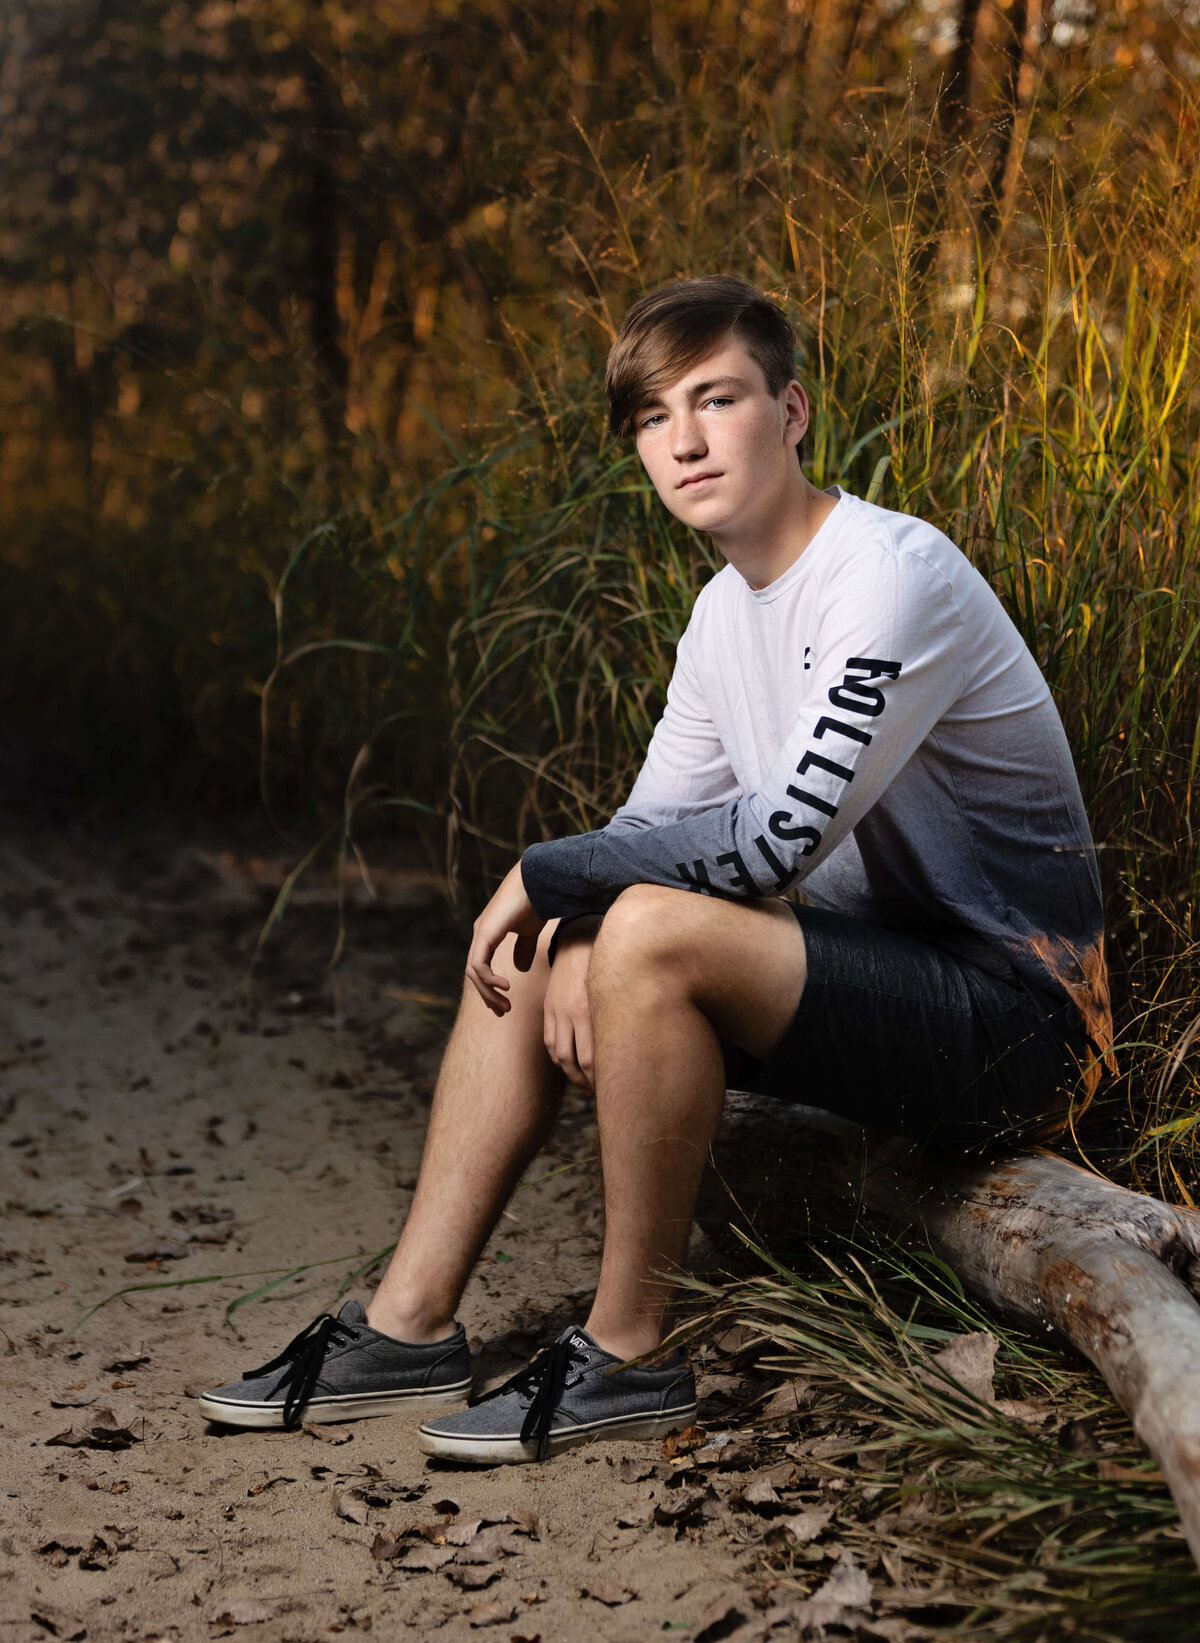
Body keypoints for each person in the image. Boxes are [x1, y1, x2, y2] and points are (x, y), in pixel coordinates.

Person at [199, 276, 1112, 1463]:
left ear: (789, 412)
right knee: (556, 938)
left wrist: (554, 877)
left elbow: (778, 838)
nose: (682, 440)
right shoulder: (724, 616)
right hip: (870, 988)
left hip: (1021, 1021)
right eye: (651, 416)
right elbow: (647, 825)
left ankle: (630, 1350)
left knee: (616, 918)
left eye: (717, 398)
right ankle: (406, 1324)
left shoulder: (893, 574)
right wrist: (567, 923)